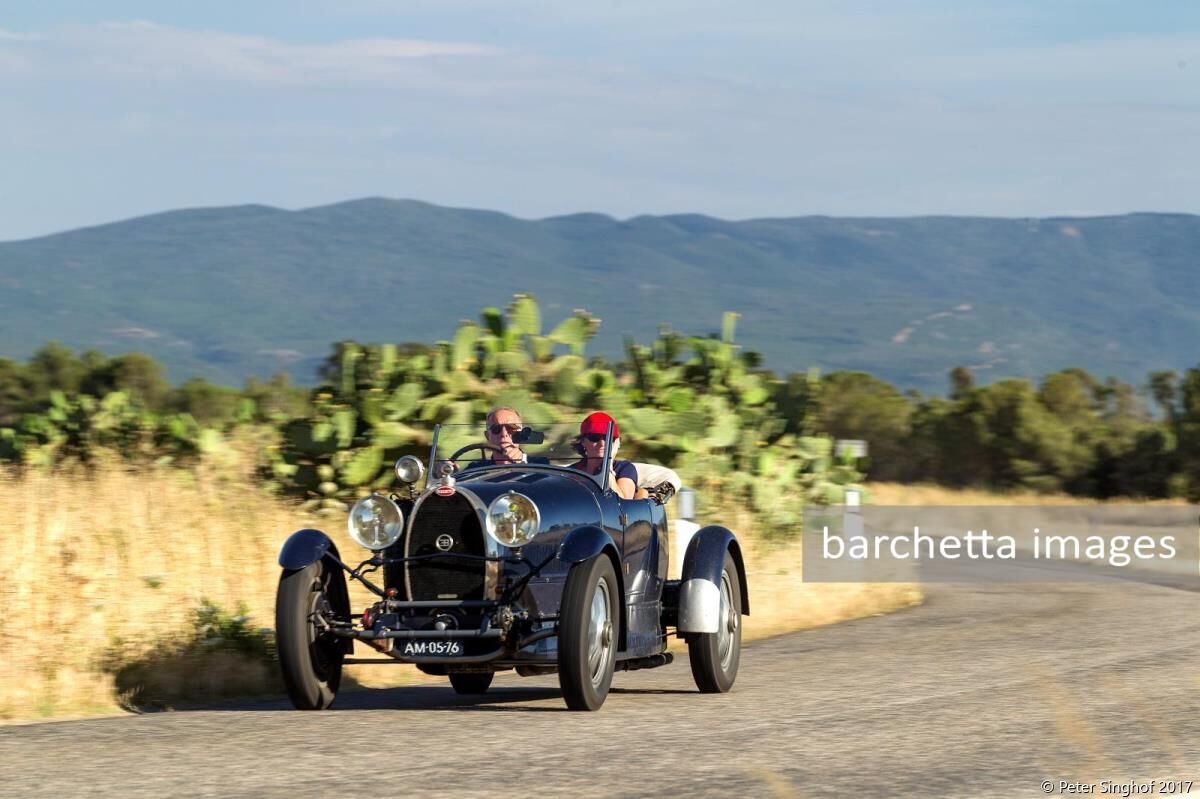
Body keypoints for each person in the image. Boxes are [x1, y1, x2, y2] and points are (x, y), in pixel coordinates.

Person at [570, 411, 638, 499]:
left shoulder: (624, 469)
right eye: (594, 438)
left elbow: (624, 503)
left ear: (617, 443)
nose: (602, 444)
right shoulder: (572, 471)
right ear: (583, 441)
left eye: (609, 439)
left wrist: (608, 466)